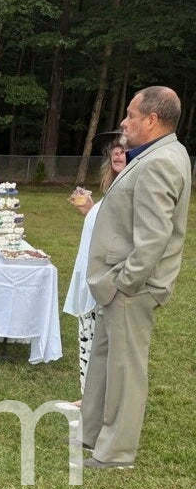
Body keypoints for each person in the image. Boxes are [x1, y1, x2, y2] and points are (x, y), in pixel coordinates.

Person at [82, 85, 191, 469]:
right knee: (104, 360)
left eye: (131, 115)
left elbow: (153, 238)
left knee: (125, 370)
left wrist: (123, 283)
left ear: (152, 119)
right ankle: (93, 433)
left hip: (132, 288)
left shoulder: (161, 161)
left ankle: (116, 453)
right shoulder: (156, 154)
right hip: (119, 285)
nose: (124, 122)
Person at [63, 135, 127, 402]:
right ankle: (88, 398)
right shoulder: (113, 192)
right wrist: (90, 210)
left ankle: (97, 402)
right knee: (87, 339)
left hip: (106, 281)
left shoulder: (131, 192)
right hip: (90, 277)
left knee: (100, 343)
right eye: (115, 150)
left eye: (125, 150)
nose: (118, 153)